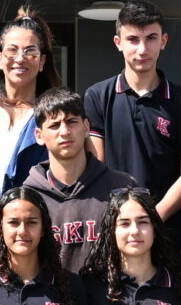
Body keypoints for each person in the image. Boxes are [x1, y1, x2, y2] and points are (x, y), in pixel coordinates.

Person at [84, 0, 181, 224]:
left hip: (171, 226)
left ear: (163, 41)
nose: (142, 49)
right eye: (133, 39)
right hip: (118, 224)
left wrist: (153, 219)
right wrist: (127, 220)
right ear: (118, 43)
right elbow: (96, 168)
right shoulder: (97, 96)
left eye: (151, 38)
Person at [19, 88, 136, 277]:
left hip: (113, 294)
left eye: (72, 122)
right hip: (51, 295)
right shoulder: (27, 199)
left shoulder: (123, 187)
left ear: (86, 127)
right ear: (39, 136)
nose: (65, 132)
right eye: (54, 125)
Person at [0, 13, 56, 194]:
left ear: (42, 61)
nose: (20, 58)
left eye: (30, 51)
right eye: (12, 50)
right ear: (0, 59)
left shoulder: (54, 118)